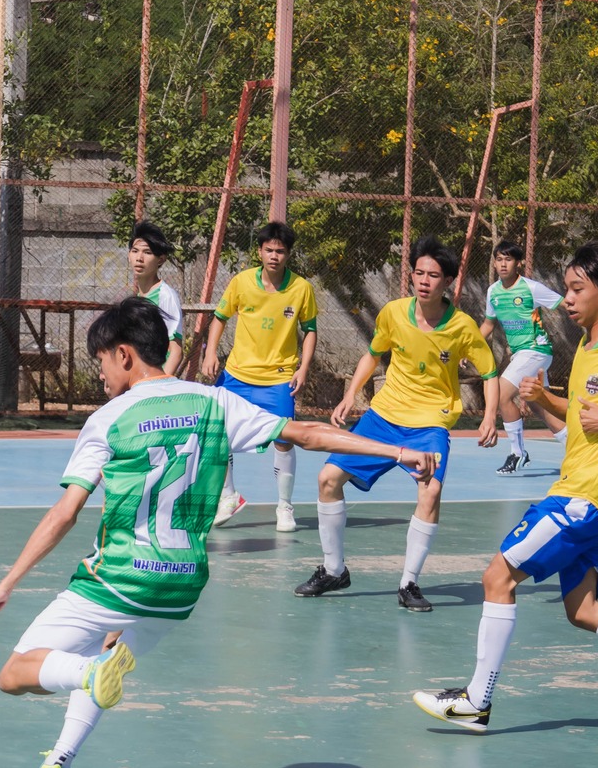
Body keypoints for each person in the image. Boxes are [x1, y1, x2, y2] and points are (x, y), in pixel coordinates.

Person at [0, 296, 440, 768]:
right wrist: (397, 451)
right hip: (180, 586)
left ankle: (87, 673)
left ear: (125, 355)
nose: (101, 373)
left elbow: (65, 512)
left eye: (101, 360)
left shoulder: (109, 419)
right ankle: (59, 766)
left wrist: (7, 582)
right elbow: (306, 432)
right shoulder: (214, 402)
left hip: (120, 576)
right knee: (108, 650)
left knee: (15, 673)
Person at [412, 242, 598, 739]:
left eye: (578, 289)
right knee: (582, 610)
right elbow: (579, 413)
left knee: (497, 577)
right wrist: (542, 398)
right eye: (568, 289)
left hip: (585, 496)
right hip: (592, 497)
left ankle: (476, 700)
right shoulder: (588, 349)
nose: (568, 299)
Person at [294, 237, 500, 612]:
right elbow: (372, 356)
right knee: (327, 479)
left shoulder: (463, 327)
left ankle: (409, 584)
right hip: (382, 418)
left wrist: (489, 416)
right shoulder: (391, 313)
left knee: (430, 493)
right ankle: (334, 570)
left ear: (448, 281)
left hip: (429, 425)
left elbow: (489, 372)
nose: (423, 280)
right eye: (418, 272)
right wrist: (349, 396)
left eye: (433, 275)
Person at [201, 221, 319, 533]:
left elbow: (309, 331)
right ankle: (229, 496)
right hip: (237, 375)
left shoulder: (302, 289)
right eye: (269, 250)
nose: (274, 256)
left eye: (280, 251)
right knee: (217, 435)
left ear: (288, 254)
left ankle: (284, 506)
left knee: (284, 440)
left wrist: (303, 368)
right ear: (260, 252)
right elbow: (219, 318)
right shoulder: (241, 282)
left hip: (279, 378)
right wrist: (211, 353)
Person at [479, 240, 565, 474]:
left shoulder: (531, 288)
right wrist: (469, 348)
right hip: (523, 354)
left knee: (502, 392)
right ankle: (577, 450)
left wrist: (593, 320)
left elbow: (564, 303)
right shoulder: (493, 292)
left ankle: (518, 453)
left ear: (518, 263)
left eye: (508, 259)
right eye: (499, 259)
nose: (503, 264)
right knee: (540, 405)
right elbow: (488, 324)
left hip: (536, 350)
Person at [126, 220, 186, 376]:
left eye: (147, 252)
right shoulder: (137, 298)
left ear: (161, 259)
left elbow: (176, 351)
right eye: (135, 251)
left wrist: (159, 386)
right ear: (129, 255)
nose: (139, 258)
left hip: (154, 383)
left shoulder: (166, 296)